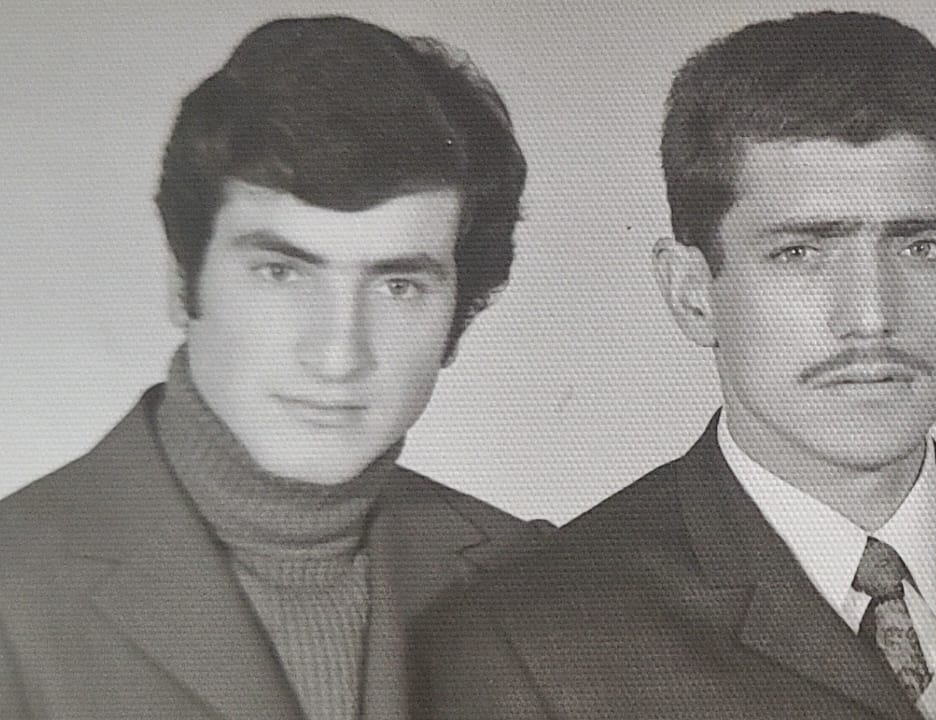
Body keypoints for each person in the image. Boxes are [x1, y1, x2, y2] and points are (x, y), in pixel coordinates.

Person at [412, 10, 936, 720]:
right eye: (800, 253)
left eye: (921, 248)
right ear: (692, 294)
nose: (872, 315)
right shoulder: (529, 641)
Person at [0, 16, 547, 720]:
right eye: (282, 273)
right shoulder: (14, 587)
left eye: (399, 286)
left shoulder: (529, 574)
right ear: (182, 280)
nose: (338, 354)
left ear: (458, 315)